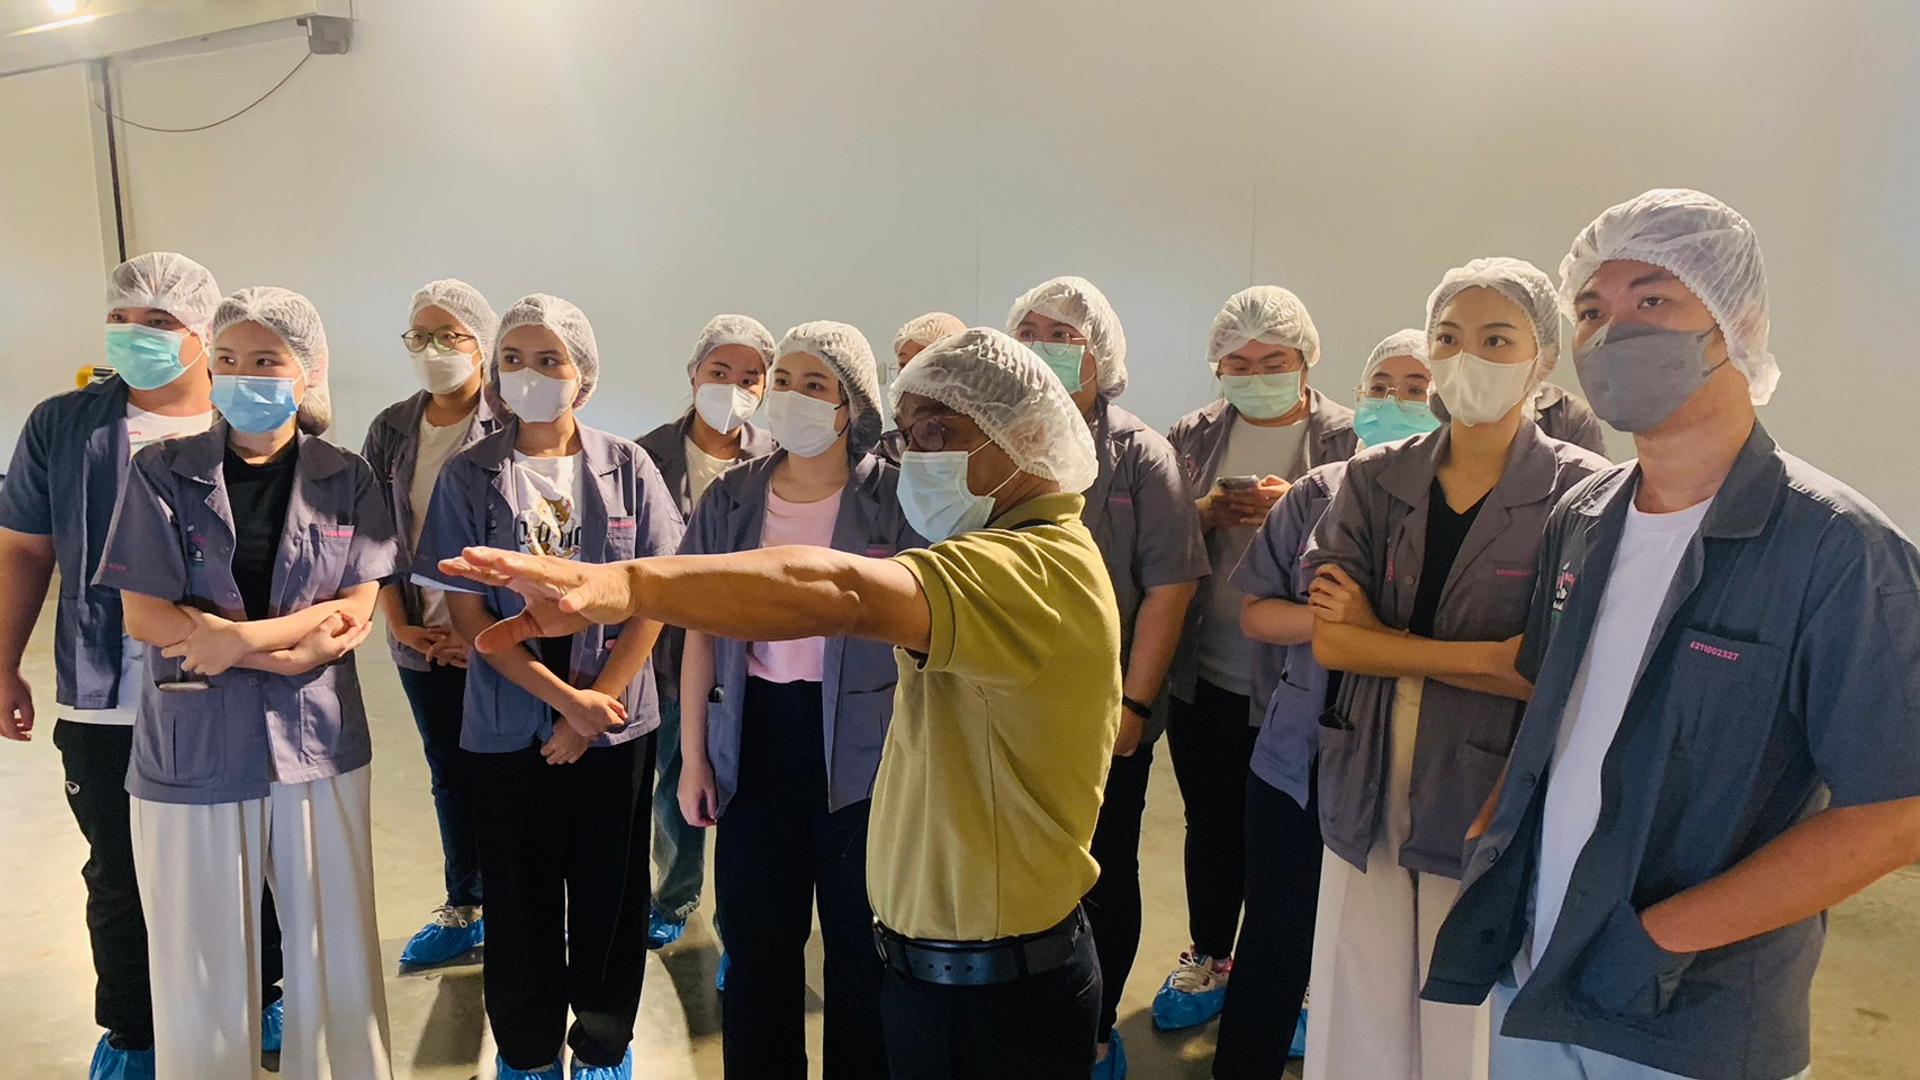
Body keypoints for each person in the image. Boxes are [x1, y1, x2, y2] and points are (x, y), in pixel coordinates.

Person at [435, 327, 1120, 1080]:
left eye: (940, 432)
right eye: (912, 432)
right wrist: (699, 747)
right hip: (942, 966)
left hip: (1003, 997)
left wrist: (629, 585)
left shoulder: (1030, 568)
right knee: (763, 950)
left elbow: (840, 590)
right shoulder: (775, 501)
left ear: (1024, 437)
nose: (920, 455)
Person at [1424, 190, 1920, 1080]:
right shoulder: (1583, 516)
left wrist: (1660, 938)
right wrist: (1497, 834)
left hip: (1690, 1018)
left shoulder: (1839, 550)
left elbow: (1895, 813)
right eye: (1590, 310)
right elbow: (1560, 706)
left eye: (1652, 301)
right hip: (1535, 969)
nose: (1613, 334)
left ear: (1737, 323)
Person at [1300, 258, 1609, 1080]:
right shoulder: (1373, 479)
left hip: (1485, 789)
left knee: (1466, 1013)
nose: (1466, 357)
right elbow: (1333, 643)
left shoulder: (1585, 499)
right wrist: (1482, 658)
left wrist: (1383, 638)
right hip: (1367, 767)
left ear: (1542, 362)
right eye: (1449, 337)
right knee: (1356, 993)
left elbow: (1550, 677)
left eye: (1496, 339)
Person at [95, 286, 398, 1080]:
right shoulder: (161, 471)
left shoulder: (349, 477)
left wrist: (234, 642)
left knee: (334, 951)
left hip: (317, 741)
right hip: (192, 744)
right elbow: (148, 617)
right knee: (198, 961)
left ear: (309, 372)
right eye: (227, 360)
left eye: (266, 360)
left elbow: (355, 611)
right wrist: (277, 651)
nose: (243, 377)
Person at [0, 253, 288, 1080]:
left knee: (251, 856)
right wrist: (4, 661)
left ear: (203, 334)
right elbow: (24, 551)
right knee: (119, 873)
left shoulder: (250, 426)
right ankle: (133, 1031)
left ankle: (263, 992)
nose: (137, 334)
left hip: (231, 690)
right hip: (106, 696)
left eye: (160, 322)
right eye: (123, 317)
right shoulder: (66, 426)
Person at [413, 293, 682, 1080]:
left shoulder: (628, 468)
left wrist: (597, 707)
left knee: (611, 888)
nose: (530, 375)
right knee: (520, 891)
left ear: (583, 377)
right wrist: (563, 703)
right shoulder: (471, 476)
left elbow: (654, 594)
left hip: (616, 714)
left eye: (550, 360)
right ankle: (526, 1051)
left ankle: (603, 1044)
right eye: (514, 360)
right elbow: (466, 611)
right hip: (507, 712)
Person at [678, 320, 915, 1079]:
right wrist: (693, 758)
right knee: (757, 945)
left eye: (816, 386)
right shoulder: (733, 499)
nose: (791, 398)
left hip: (865, 746)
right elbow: (700, 630)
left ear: (852, 406)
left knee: (859, 942)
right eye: (782, 381)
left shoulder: (895, 499)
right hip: (755, 741)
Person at [1212, 327, 1439, 1079]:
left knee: (1386, 957)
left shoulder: (1478, 509)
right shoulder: (1319, 492)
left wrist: (1375, 638)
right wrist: (1338, 628)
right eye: (1381, 386)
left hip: (1417, 769)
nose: (1395, 401)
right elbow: (1255, 613)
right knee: (1276, 937)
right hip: (1296, 758)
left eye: (1415, 386)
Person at [1007, 275, 1204, 1078]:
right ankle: (1020, 1018)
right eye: (1029, 332)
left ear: (1102, 355)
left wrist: (1132, 703)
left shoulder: (1138, 455)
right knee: (1017, 871)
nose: (1043, 349)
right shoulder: (995, 442)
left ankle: (1090, 1031)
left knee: (1103, 868)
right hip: (1005, 704)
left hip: (1104, 714)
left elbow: (1172, 583)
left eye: (1062, 335)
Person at [1157, 285, 1355, 1030]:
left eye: (1274, 359)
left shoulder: (1348, 438)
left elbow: (1374, 546)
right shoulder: (1192, 433)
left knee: (1294, 841)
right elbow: (1163, 538)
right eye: (1238, 361)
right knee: (1210, 824)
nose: (1256, 372)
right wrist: (1208, 514)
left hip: (1304, 680)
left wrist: (1300, 516)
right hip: (1206, 667)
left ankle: (1290, 979)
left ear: (1307, 360)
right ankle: (1210, 954)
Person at [361, 278, 502, 968]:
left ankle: (525, 902)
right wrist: (401, 626)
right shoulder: (391, 429)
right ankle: (465, 904)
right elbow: (372, 536)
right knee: (449, 771)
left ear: (483, 343)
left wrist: (485, 639)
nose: (434, 348)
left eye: (451, 335)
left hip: (501, 642)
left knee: (511, 771)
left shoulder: (512, 426)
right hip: (421, 638)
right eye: (421, 336)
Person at [635, 313, 777, 953]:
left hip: (755, 653)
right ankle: (676, 892)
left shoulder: (777, 459)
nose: (733, 387)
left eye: (750, 377)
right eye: (719, 372)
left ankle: (739, 927)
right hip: (665, 653)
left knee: (750, 794)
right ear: (693, 374)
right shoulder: (646, 457)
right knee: (674, 779)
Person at [877, 311, 966, 464]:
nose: (911, 373)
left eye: (924, 362)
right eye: (904, 365)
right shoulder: (892, 451)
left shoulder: (983, 442)